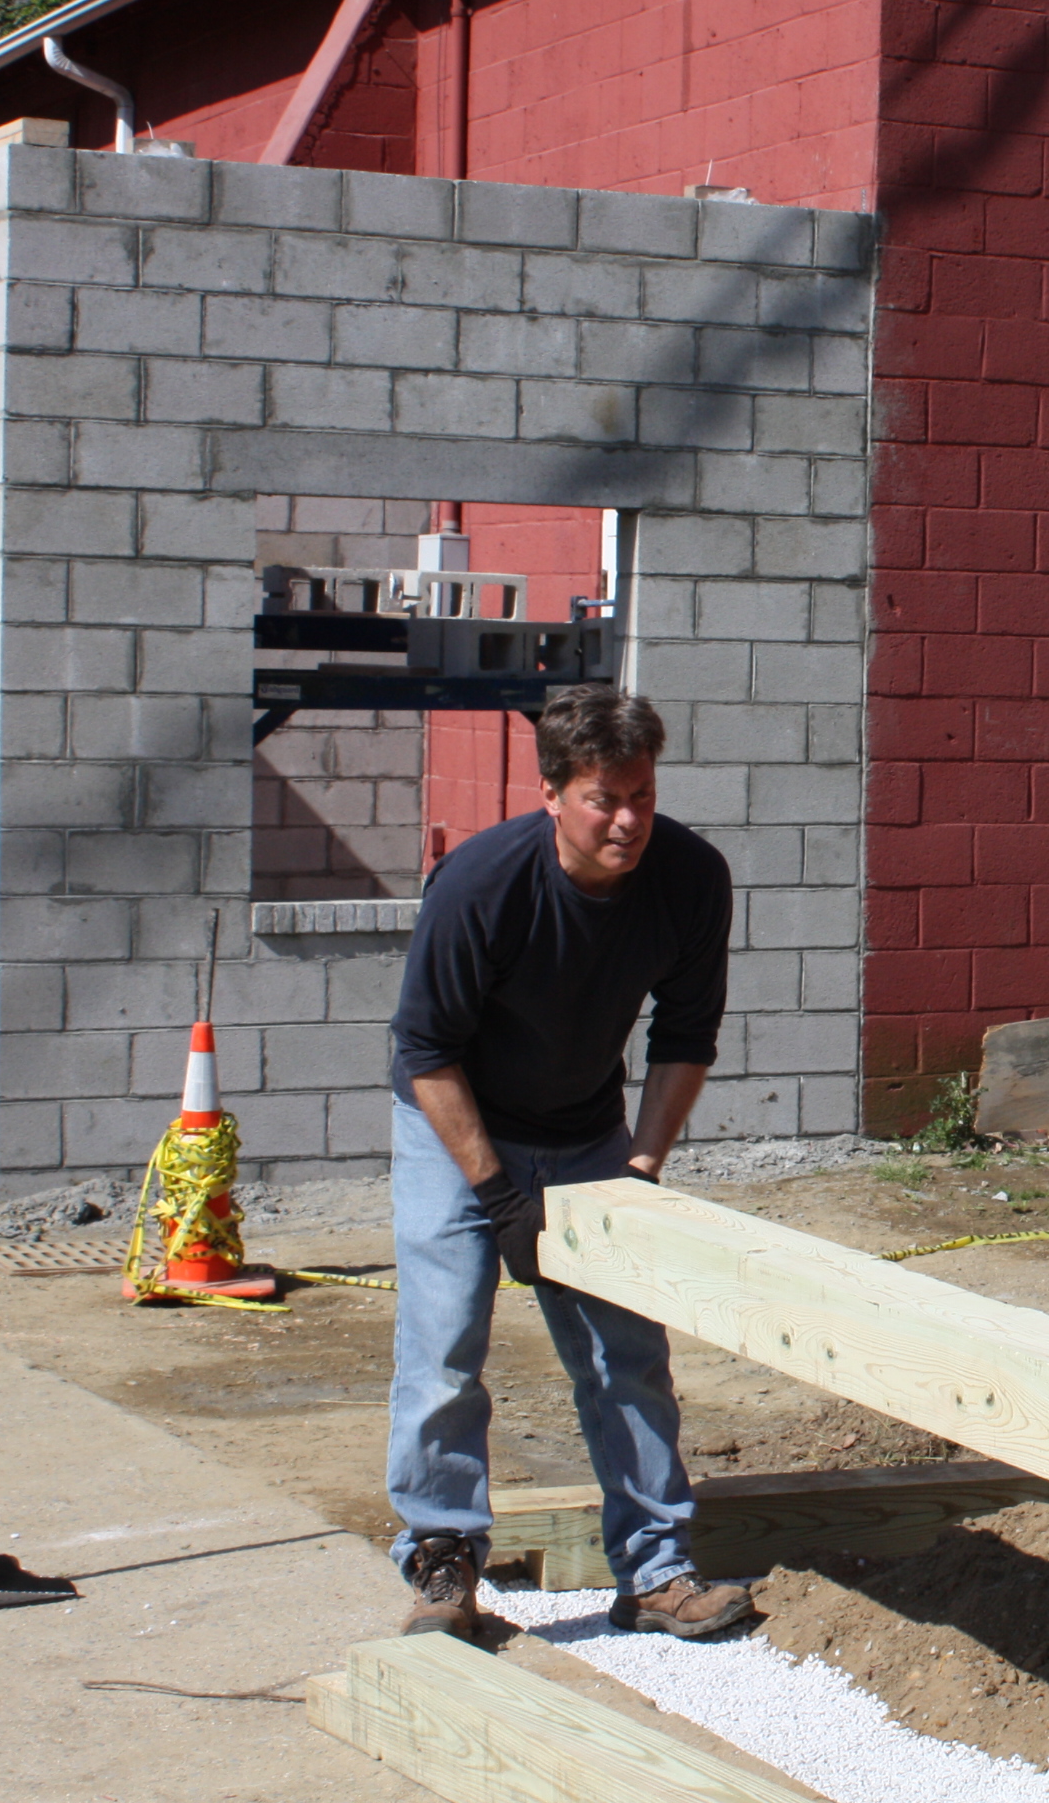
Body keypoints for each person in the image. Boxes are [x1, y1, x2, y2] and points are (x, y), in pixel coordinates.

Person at [384, 684, 743, 1646]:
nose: (627, 820)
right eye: (602, 799)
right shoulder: (481, 884)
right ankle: (443, 1560)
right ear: (551, 793)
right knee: (445, 1347)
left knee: (627, 1354)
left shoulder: (691, 877)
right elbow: (426, 1052)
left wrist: (640, 1172)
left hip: (587, 1132)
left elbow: (686, 1036)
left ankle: (657, 1570)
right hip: (457, 1122)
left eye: (642, 795)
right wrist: (497, 1195)